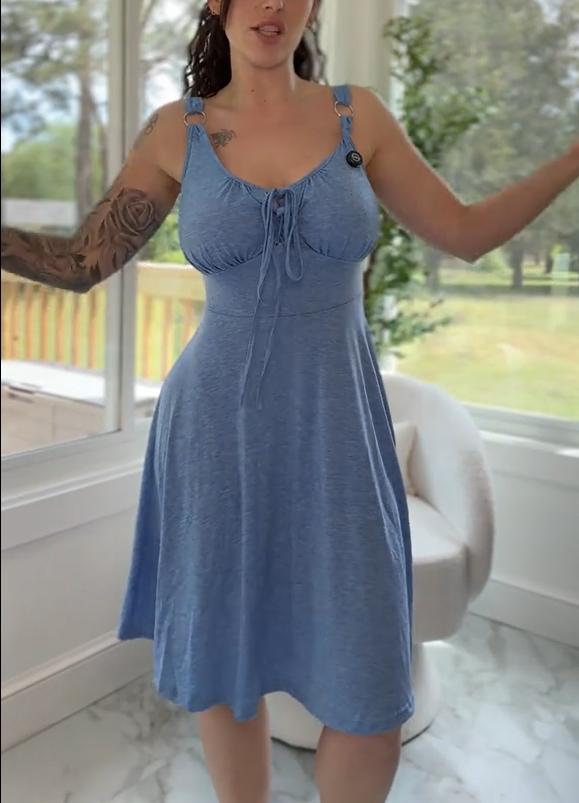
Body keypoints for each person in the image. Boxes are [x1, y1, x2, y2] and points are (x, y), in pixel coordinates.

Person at [2, 1, 578, 802]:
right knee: (225, 667)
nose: (270, 4)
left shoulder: (356, 117)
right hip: (213, 430)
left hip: (337, 428)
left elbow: (466, 231)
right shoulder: (177, 131)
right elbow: (79, 263)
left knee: (368, 684)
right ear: (217, 3)